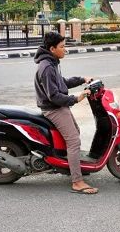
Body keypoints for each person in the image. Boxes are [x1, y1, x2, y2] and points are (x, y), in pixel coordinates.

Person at [34, 32, 96, 194]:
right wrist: (76, 98)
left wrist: (83, 79)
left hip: (58, 106)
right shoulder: (47, 67)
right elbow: (53, 96)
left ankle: (68, 166)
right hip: (54, 108)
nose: (65, 50)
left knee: (75, 132)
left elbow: (63, 83)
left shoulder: (51, 62)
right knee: (74, 141)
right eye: (62, 47)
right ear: (52, 48)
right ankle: (77, 181)